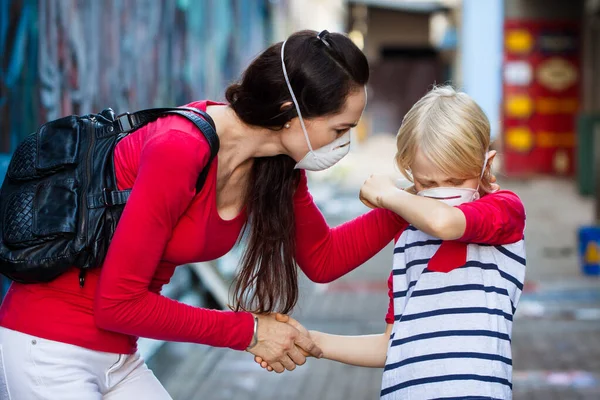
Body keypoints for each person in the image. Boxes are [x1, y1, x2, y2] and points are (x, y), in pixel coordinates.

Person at [0, 30, 414, 399]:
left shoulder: (276, 169)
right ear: (291, 111)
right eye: (339, 130)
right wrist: (250, 332)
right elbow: (118, 303)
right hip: (49, 347)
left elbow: (323, 258)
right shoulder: (179, 149)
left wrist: (411, 202)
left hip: (118, 356)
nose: (344, 143)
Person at [256, 86, 526, 400]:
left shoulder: (504, 211)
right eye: (427, 182)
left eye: (456, 181)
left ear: (486, 164)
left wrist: (391, 195)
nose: (441, 192)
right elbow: (392, 344)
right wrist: (312, 341)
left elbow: (445, 223)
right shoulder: (408, 231)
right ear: (410, 171)